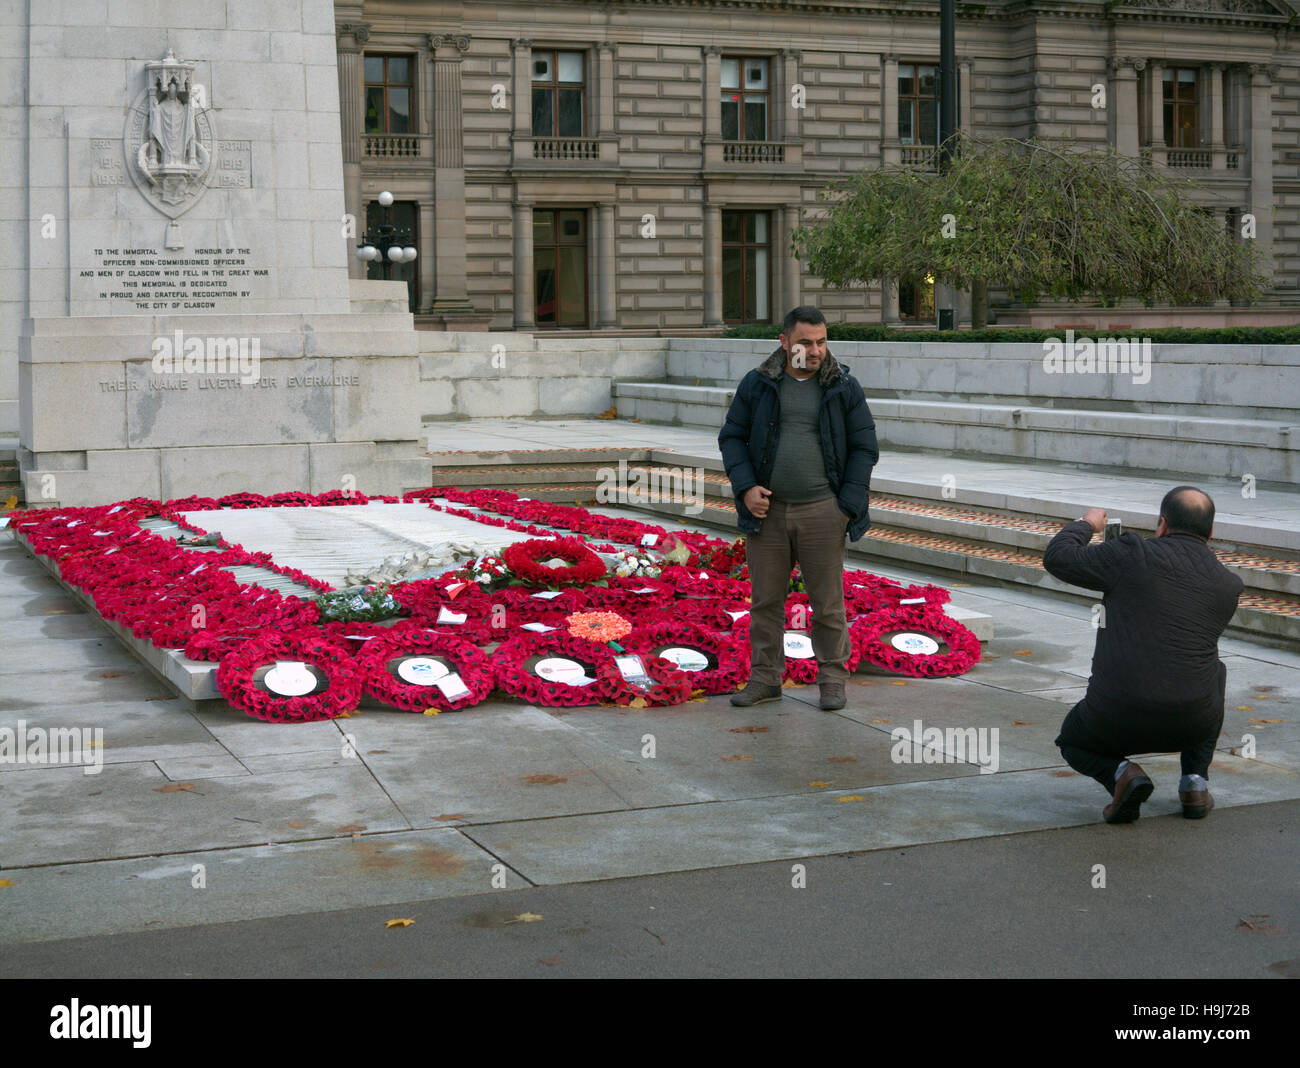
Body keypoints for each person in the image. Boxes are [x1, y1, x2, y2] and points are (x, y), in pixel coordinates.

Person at [1043, 487, 1243, 823]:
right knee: (1214, 671)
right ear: (1210, 533)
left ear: (1161, 524)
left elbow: (1058, 558)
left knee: (1073, 742)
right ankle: (1194, 784)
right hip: (1191, 725)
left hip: (1114, 717)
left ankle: (1122, 773)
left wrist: (1086, 524)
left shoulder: (1131, 553)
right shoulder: (1229, 584)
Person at [718, 305, 878, 711]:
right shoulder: (758, 384)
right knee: (765, 603)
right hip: (767, 514)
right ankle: (765, 679)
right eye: (806, 341)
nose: (816, 349)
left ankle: (832, 682)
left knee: (827, 605)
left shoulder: (843, 386)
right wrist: (745, 487)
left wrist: (846, 506)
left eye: (822, 341)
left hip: (823, 512)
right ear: (784, 342)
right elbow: (732, 437)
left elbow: (865, 447)